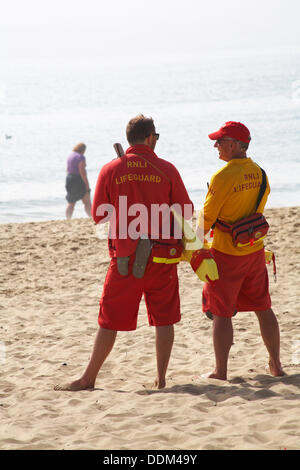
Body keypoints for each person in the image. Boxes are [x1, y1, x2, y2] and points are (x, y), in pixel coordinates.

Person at [55, 114, 193, 391]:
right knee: (164, 319)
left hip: (125, 259)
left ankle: (88, 378)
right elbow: (185, 211)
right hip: (162, 257)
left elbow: (98, 216)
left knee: (109, 320)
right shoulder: (167, 168)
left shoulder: (111, 169)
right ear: (151, 137)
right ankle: (161, 379)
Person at [196, 121, 284, 380]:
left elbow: (207, 218)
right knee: (263, 306)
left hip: (226, 253)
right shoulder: (260, 173)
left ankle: (220, 371)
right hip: (255, 250)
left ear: (234, 145)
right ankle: (276, 365)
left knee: (221, 312)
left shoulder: (222, 176)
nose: (216, 146)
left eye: (220, 142)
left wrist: (192, 248)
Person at [65, 143, 91, 219]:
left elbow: (67, 169)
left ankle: (68, 219)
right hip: (78, 179)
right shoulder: (81, 157)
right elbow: (82, 171)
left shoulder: (70, 156)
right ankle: (91, 217)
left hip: (69, 178)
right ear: (83, 150)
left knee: (71, 202)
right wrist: (87, 185)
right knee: (87, 201)